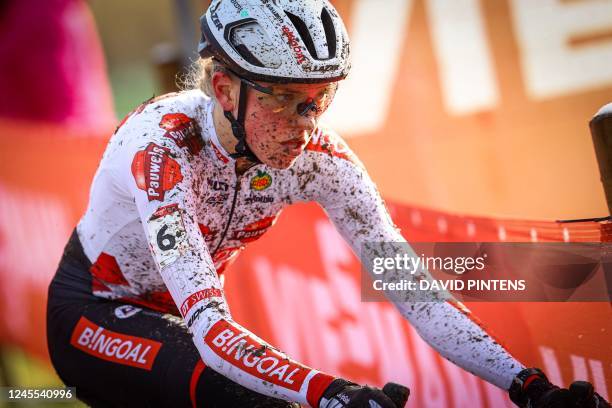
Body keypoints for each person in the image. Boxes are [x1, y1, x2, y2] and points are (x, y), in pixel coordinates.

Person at [46, 1, 610, 407]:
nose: (307, 124)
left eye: (322, 100)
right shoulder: (164, 148)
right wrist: (331, 393)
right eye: (288, 101)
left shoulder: (320, 159)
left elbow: (413, 291)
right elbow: (212, 334)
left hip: (184, 325)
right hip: (93, 313)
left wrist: (529, 387)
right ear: (223, 90)